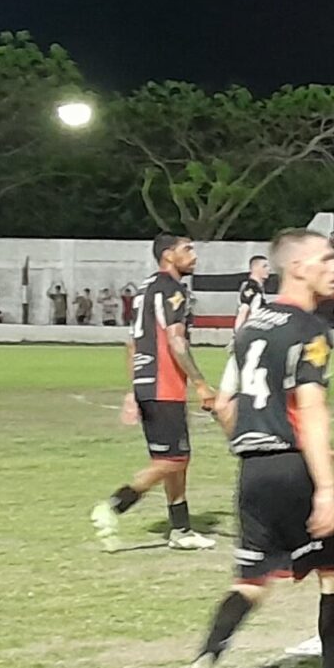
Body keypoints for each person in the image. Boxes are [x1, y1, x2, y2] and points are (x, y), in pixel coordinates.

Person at [184, 228, 334, 668]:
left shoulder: (248, 328)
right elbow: (311, 410)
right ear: (297, 267)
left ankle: (206, 658)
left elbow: (223, 405)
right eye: (327, 259)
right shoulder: (310, 330)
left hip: (254, 469)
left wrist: (250, 444)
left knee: (251, 582)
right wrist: (326, 487)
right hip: (297, 464)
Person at [90, 233, 218, 553]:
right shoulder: (173, 289)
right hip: (165, 385)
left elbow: (132, 343)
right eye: (186, 249)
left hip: (148, 383)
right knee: (173, 460)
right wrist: (201, 383)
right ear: (168, 256)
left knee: (175, 459)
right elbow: (177, 341)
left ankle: (181, 529)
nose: (194, 255)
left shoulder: (145, 290)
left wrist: (133, 390)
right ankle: (114, 506)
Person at [235, 254, 270, 331]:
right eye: (264, 266)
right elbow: (243, 312)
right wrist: (238, 334)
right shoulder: (251, 288)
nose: (268, 269)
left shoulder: (257, 288)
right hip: (250, 332)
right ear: (255, 268)